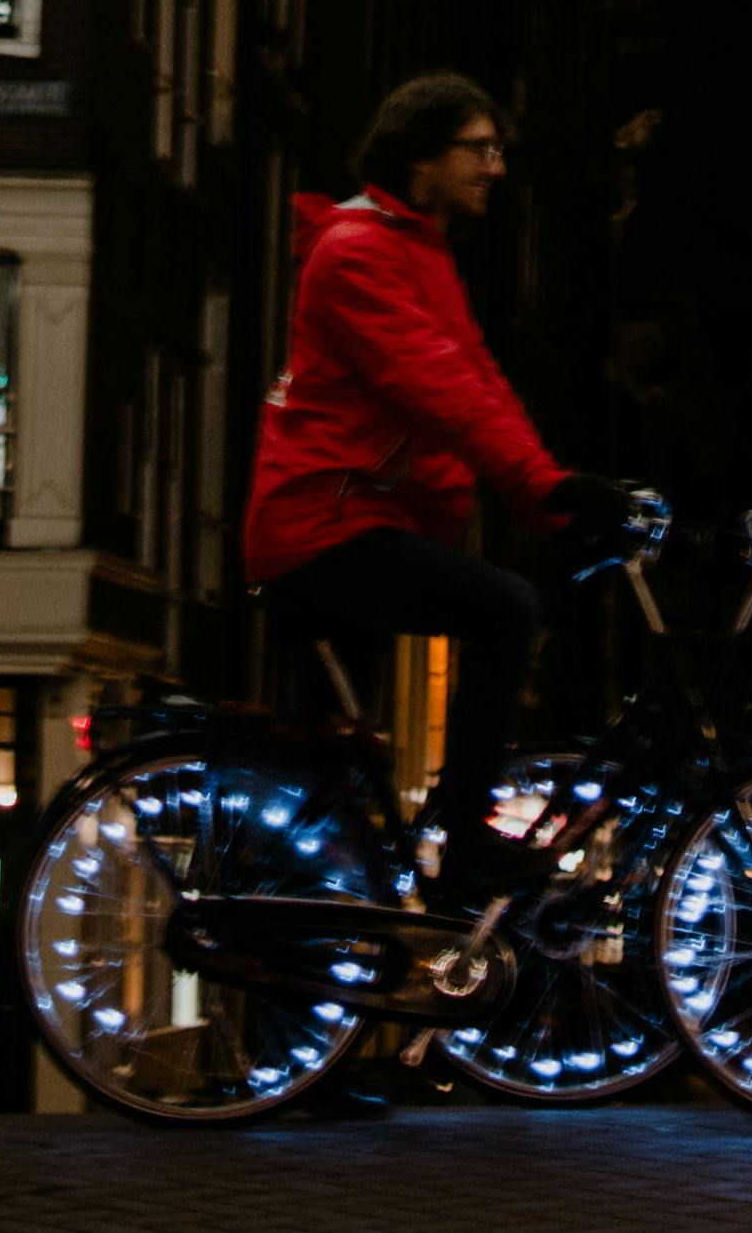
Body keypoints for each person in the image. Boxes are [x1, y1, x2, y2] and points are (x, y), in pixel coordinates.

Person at [243, 70, 629, 898]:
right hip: (327, 524)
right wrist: (543, 485)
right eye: (478, 149)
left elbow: (478, 378)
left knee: (328, 766)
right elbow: (436, 383)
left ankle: (304, 920)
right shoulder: (357, 253)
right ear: (422, 157)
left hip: (358, 520)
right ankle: (461, 845)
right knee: (505, 609)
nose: (496, 168)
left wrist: (549, 497)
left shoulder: (416, 251)